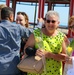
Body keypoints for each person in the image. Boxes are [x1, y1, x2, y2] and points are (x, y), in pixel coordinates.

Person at [24, 10, 69, 75]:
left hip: (55, 72)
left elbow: (66, 57)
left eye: (53, 21)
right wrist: (35, 52)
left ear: (58, 23)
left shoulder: (62, 37)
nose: (50, 23)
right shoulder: (36, 33)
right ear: (45, 22)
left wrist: (51, 55)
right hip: (35, 71)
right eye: (48, 21)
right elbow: (26, 48)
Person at [0, 7, 32, 75]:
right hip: (13, 66)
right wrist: (40, 24)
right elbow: (34, 33)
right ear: (11, 16)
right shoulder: (17, 28)